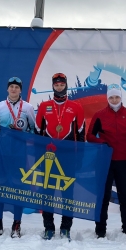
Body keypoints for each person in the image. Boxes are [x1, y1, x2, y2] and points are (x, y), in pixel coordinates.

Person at [35, 72, 86, 240]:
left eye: (61, 84)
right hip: (48, 156)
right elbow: (37, 133)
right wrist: (38, 157)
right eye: (56, 85)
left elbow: (81, 133)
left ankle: (66, 228)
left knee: (68, 193)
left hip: (68, 156)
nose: (59, 87)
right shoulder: (44, 106)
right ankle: (48, 228)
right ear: (53, 86)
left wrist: (80, 157)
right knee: (47, 192)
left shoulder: (76, 106)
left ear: (66, 85)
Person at [87, 83, 126, 239]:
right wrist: (102, 142)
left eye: (117, 97)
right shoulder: (99, 115)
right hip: (105, 162)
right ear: (107, 98)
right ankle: (100, 230)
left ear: (121, 97)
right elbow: (90, 136)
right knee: (103, 197)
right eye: (111, 97)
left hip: (124, 161)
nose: (114, 100)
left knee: (125, 197)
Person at [0, 77, 36, 239]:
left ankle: (16, 225)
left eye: (16, 87)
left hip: (20, 153)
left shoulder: (28, 107)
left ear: (20, 90)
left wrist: (23, 133)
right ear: (7, 89)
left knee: (18, 188)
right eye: (11, 87)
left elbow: (34, 130)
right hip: (2, 153)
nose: (14, 89)